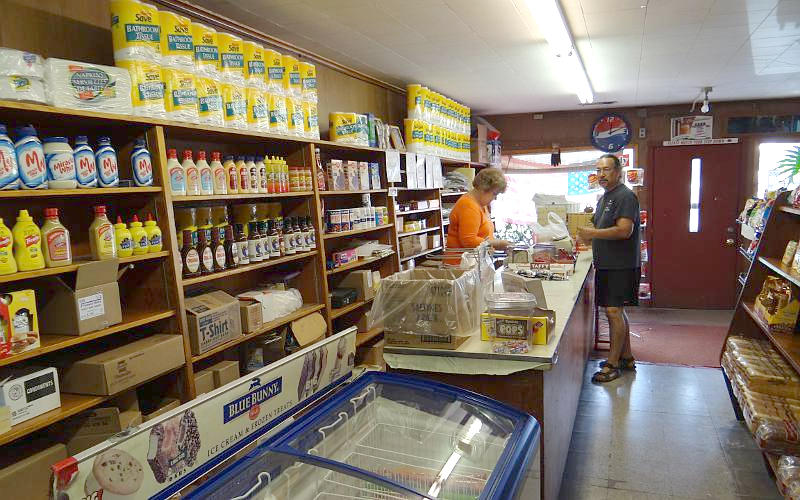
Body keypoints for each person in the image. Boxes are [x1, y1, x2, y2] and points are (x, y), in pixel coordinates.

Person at [578, 154, 641, 383]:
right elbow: (599, 224)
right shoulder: (606, 197)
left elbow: (625, 230)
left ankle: (612, 364)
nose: (601, 174)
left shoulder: (625, 196)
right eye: (598, 170)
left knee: (614, 312)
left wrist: (593, 234)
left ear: (618, 171)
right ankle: (627, 357)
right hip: (607, 263)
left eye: (606, 170)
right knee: (617, 312)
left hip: (621, 265)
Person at [446, 168, 512, 258]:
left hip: (476, 262)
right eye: (494, 193)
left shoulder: (481, 204)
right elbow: (469, 241)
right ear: (483, 188)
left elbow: (484, 236)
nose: (495, 198)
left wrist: (496, 245)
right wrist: (497, 243)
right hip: (462, 264)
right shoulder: (468, 206)